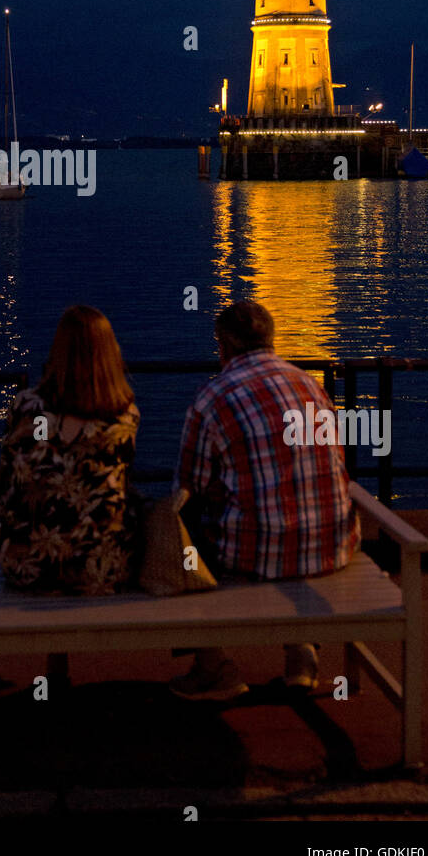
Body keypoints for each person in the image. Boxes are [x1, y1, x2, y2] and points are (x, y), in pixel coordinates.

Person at [170, 300, 360, 701]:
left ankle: (213, 668)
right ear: (271, 339)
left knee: (181, 533)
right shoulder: (312, 385)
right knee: (286, 509)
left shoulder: (213, 396)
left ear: (223, 346)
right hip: (333, 544)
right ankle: (301, 655)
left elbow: (189, 487)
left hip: (257, 554)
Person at [0, 305, 141, 596]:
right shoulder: (124, 417)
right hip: (99, 567)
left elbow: (6, 476)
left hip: (29, 564)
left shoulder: (25, 407)